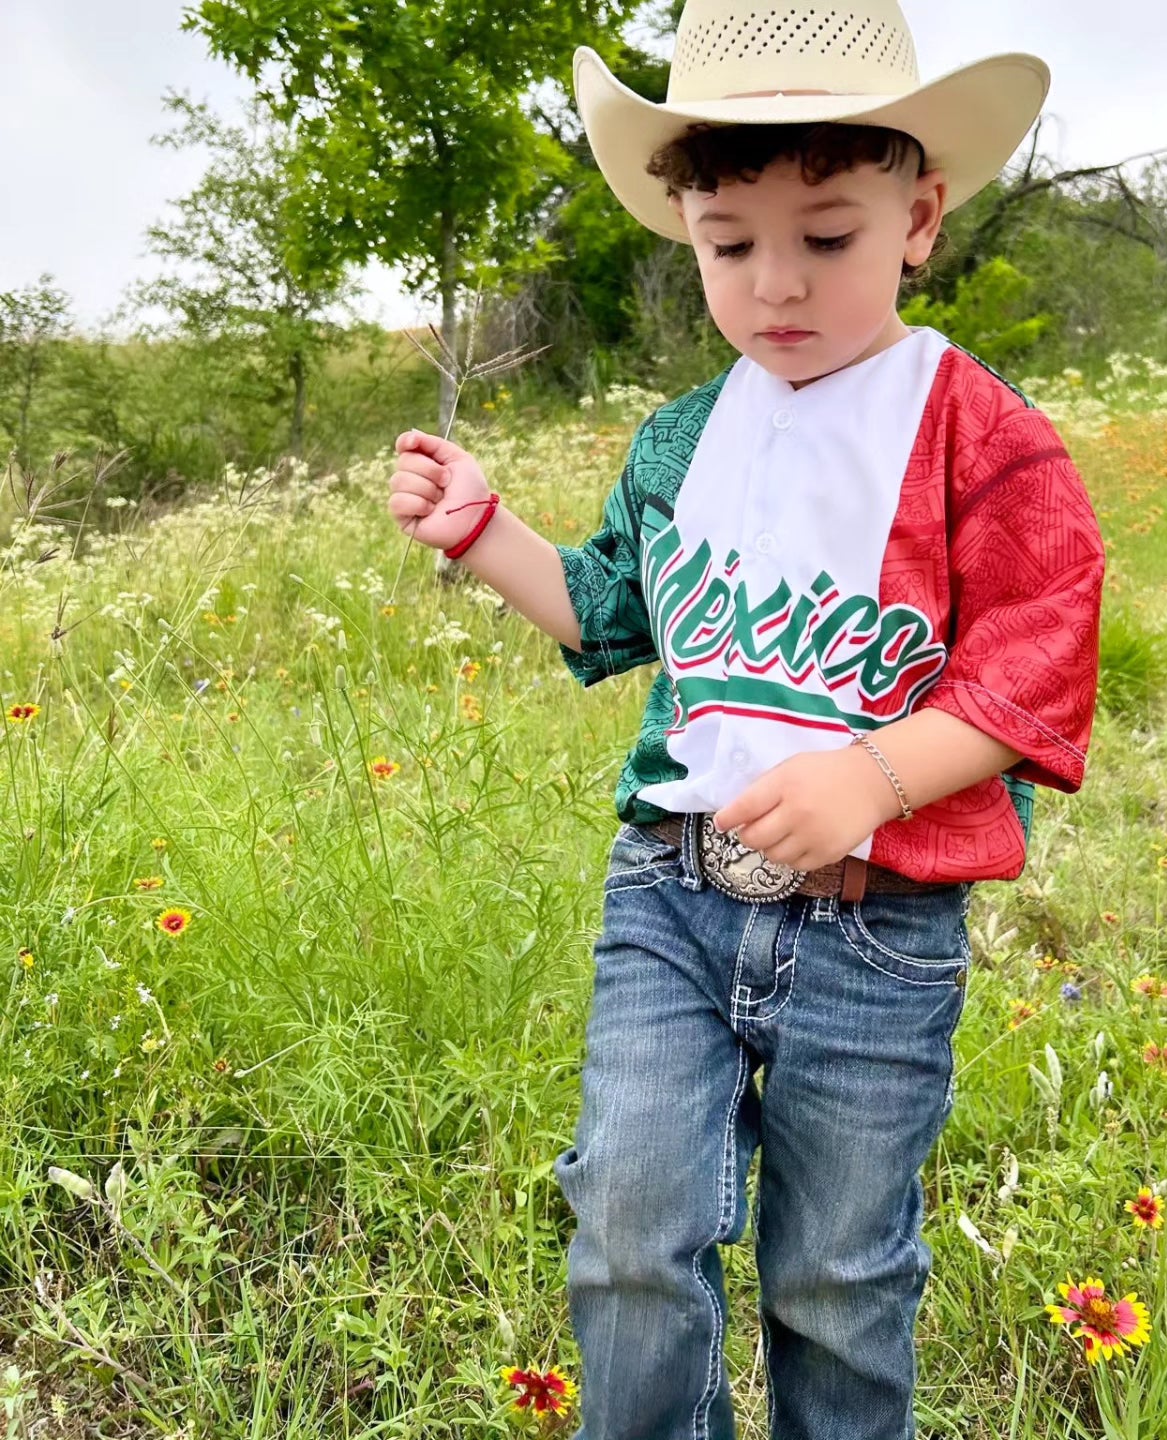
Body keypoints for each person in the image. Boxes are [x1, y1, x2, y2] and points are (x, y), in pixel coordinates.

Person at [385, 2, 1106, 1434]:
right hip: (673, 889)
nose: (776, 284)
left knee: (838, 1270)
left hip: (877, 924)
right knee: (627, 1232)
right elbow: (612, 610)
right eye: (730, 245)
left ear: (920, 216)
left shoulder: (977, 429)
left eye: (827, 236)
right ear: (689, 230)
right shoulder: (683, 434)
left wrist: (878, 776)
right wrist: (487, 536)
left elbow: (1036, 667)